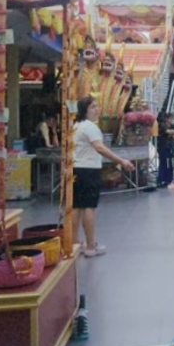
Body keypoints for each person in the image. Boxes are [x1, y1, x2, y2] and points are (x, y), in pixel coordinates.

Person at [72, 97, 135, 257]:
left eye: (97, 106)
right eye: (93, 107)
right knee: (88, 207)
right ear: (84, 110)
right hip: (89, 170)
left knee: (77, 207)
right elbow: (99, 147)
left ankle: (74, 243)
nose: (97, 109)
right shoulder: (90, 127)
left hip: (77, 169)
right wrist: (121, 160)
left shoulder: (76, 126)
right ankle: (91, 246)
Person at [156, 112, 174, 188]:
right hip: (163, 147)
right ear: (167, 119)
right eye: (171, 118)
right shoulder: (163, 126)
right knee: (163, 163)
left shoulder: (172, 126)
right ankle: (162, 179)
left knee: (170, 164)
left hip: (170, 147)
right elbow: (169, 132)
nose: (172, 120)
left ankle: (169, 179)